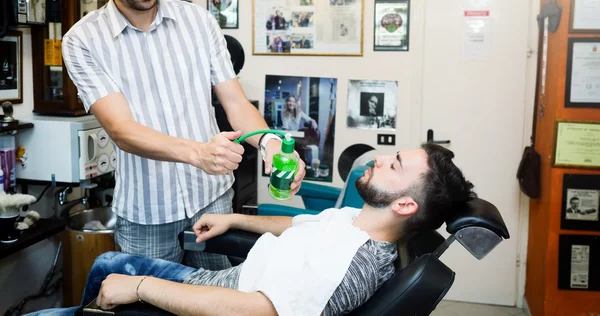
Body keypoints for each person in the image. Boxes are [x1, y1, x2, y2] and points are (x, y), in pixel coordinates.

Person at [61, 0, 306, 270]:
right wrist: (198, 153)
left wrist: (270, 144)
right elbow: (121, 129)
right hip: (146, 211)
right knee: (147, 305)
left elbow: (235, 102)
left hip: (214, 199)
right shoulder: (82, 41)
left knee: (221, 299)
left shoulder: (199, 21)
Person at [27, 143, 476, 316]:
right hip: (226, 281)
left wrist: (141, 288)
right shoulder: (355, 222)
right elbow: (297, 223)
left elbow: (254, 311)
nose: (380, 157)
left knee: (110, 274)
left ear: (405, 203)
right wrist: (235, 218)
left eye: (394, 165)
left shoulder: (350, 265)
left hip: (230, 300)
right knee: (108, 264)